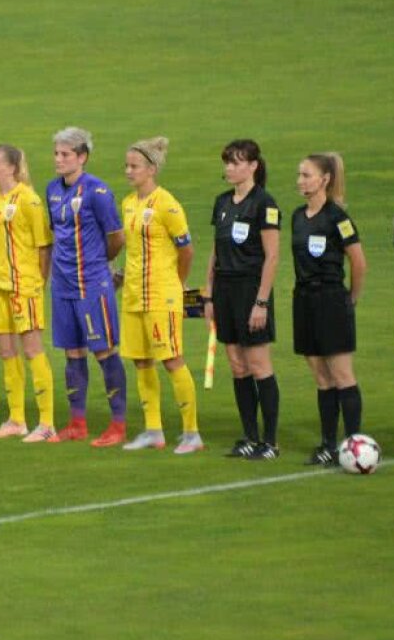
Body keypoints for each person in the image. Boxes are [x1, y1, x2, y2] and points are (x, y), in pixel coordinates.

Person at [116, 137, 203, 454]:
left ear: (151, 169)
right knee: (141, 361)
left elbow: (187, 250)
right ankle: (153, 430)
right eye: (127, 166)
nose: (129, 171)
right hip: (133, 295)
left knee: (171, 359)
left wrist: (177, 283)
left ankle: (192, 434)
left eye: (135, 166)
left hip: (161, 295)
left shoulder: (167, 204)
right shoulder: (128, 203)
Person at [45, 127, 128, 447]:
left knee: (103, 351)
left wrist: (100, 264)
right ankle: (77, 423)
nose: (58, 159)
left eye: (65, 154)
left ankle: (118, 425)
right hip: (62, 284)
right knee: (72, 352)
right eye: (56, 153)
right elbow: (57, 233)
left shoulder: (98, 191)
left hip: (91, 285)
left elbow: (116, 237)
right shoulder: (52, 189)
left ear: (82, 157)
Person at [203, 140, 282, 460]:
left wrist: (261, 302)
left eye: (236, 162)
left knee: (259, 364)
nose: (229, 168)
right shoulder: (222, 201)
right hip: (224, 289)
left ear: (253, 166)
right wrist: (208, 293)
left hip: (250, 289)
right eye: (227, 162)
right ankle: (250, 436)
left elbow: (272, 256)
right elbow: (216, 250)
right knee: (237, 366)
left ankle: (270, 442)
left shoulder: (264, 203)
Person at [291, 153, 367, 466]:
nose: (300, 181)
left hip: (331, 299)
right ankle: (328, 444)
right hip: (304, 300)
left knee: (342, 374)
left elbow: (358, 262)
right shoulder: (298, 216)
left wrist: (351, 298)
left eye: (306, 175)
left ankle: (354, 445)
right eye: (299, 175)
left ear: (324, 179)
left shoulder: (338, 218)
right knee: (322, 378)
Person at [0, 144, 57, 442]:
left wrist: (38, 283)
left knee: (32, 351)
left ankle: (47, 423)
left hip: (24, 287)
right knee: (6, 352)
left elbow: (43, 246)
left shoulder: (29, 199)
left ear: (11, 168)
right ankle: (16, 420)